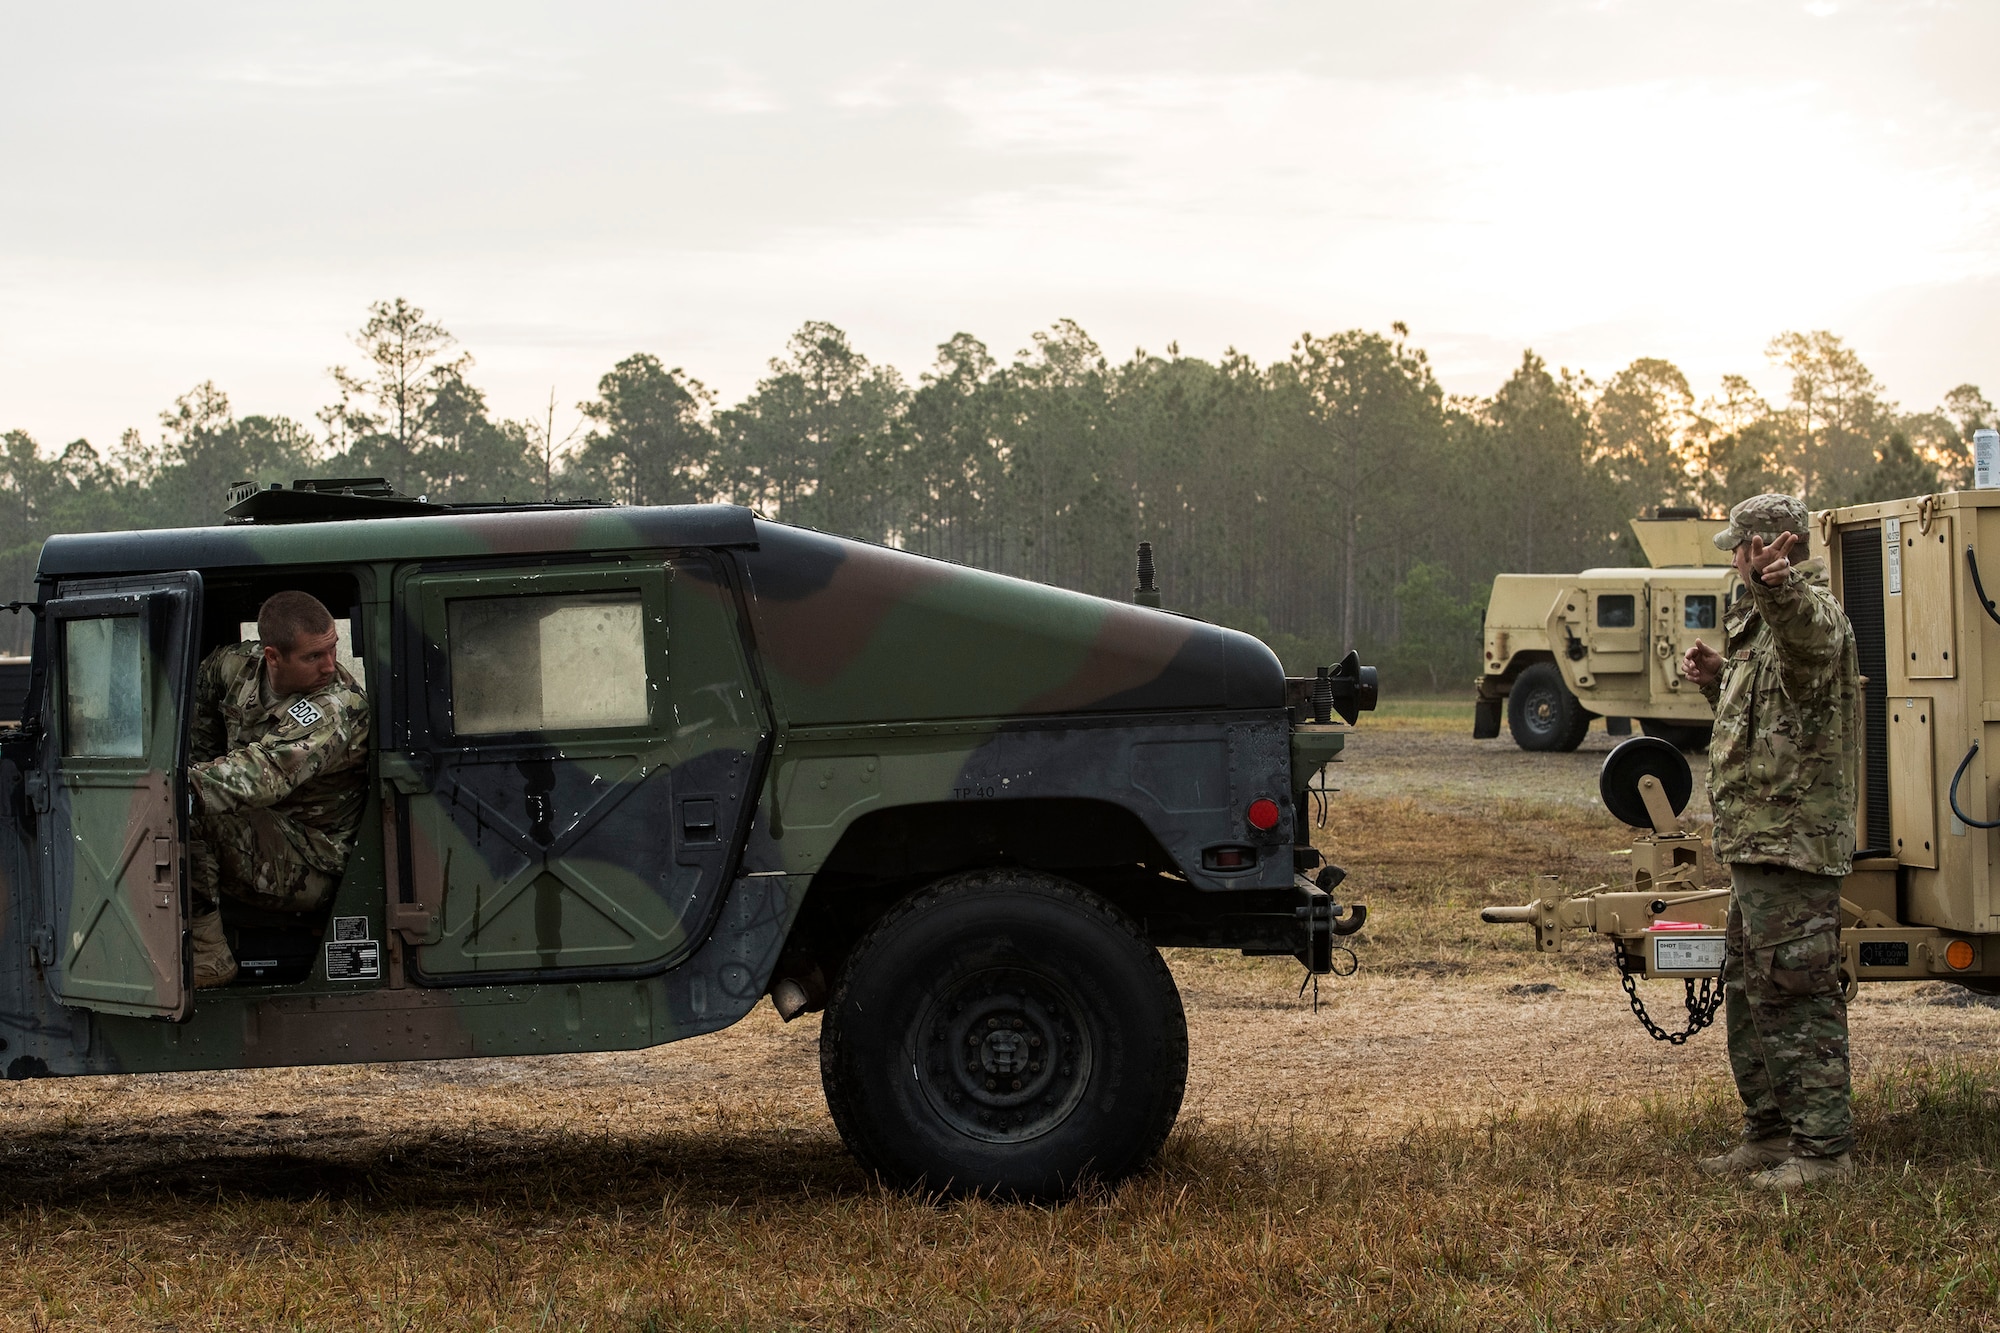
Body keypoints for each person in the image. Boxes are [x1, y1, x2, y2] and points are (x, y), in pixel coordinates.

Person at [1679, 493, 1860, 1191]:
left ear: (1775, 546)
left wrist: (1778, 591)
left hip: (1794, 845)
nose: (1733, 558)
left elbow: (1811, 651)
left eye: (1741, 547)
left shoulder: (1810, 614)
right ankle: (1770, 1130)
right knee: (1751, 989)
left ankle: (1824, 1151)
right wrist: (1715, 678)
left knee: (1797, 991)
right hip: (1756, 844)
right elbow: (1776, 712)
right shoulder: (1755, 627)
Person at [186, 591, 371, 988]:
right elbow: (201, 684)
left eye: (332, 649)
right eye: (313, 657)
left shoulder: (336, 705)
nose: (329, 666)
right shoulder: (236, 666)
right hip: (259, 834)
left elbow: (265, 772)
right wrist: (199, 756)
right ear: (272, 656)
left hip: (314, 861)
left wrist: (184, 785)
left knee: (186, 808)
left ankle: (208, 955)